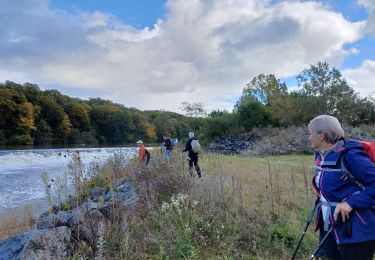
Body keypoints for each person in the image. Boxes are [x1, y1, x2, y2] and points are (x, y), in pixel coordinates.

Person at [308, 115, 375, 259]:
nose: (309, 137)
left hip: (357, 232)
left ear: (321, 135)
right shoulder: (322, 156)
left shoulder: (350, 155)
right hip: (329, 227)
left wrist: (350, 203)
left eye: (310, 133)